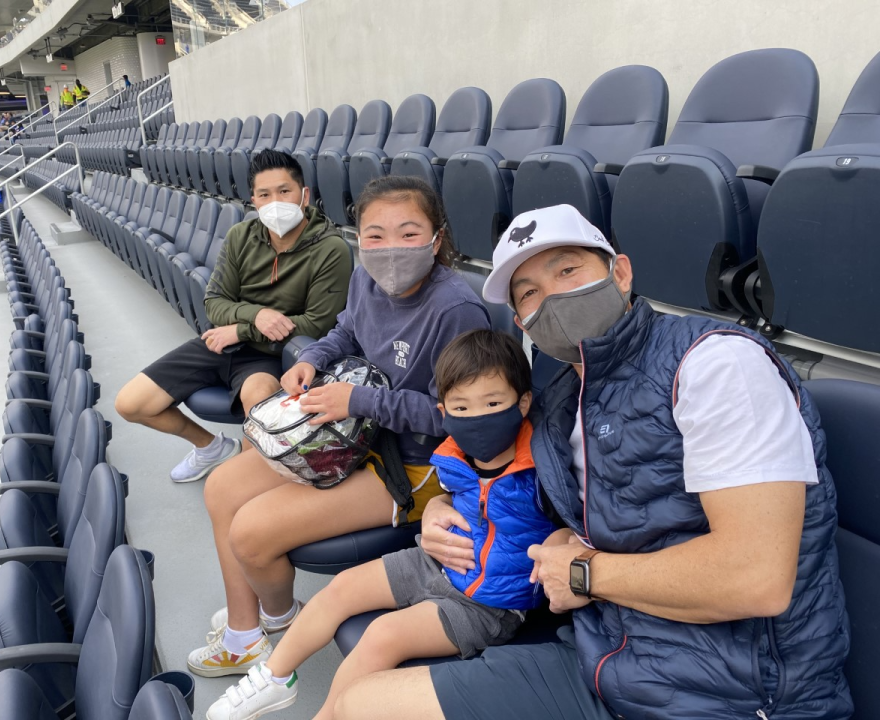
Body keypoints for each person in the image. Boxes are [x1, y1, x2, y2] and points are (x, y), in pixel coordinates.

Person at [331, 203, 853, 720]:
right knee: (362, 704)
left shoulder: (715, 365)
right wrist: (450, 504)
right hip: (602, 653)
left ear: (620, 273)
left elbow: (755, 577)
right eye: (530, 292)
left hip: (729, 694)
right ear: (522, 323)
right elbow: (531, 498)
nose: (552, 297)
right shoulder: (562, 397)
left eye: (567, 269)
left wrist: (584, 573)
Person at [189, 175, 490, 692]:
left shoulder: (456, 310)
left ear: (437, 239)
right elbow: (346, 329)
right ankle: (245, 637)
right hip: (355, 433)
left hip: (414, 466)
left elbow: (459, 419)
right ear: (358, 236)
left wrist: (359, 401)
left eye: (408, 232)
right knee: (221, 487)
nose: (389, 248)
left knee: (252, 532)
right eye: (374, 234)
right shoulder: (367, 277)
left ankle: (280, 622)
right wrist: (312, 358)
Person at [204, 329, 555, 720]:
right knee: (342, 588)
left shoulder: (543, 468)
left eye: (492, 402)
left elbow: (565, 530)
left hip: (487, 603)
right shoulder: (453, 453)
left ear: (522, 403)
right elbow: (453, 500)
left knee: (382, 636)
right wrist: (438, 506)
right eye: (462, 408)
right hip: (436, 561)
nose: (477, 418)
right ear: (444, 412)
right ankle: (273, 678)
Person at [115, 149, 353, 483]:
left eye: (284, 191)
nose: (275, 202)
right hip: (221, 343)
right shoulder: (241, 236)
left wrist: (242, 331)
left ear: (304, 195)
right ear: (253, 199)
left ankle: (248, 477)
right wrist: (255, 318)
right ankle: (210, 447)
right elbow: (214, 301)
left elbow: (318, 324)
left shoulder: (332, 248)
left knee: (257, 402)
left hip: (273, 354)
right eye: (264, 194)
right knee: (131, 404)